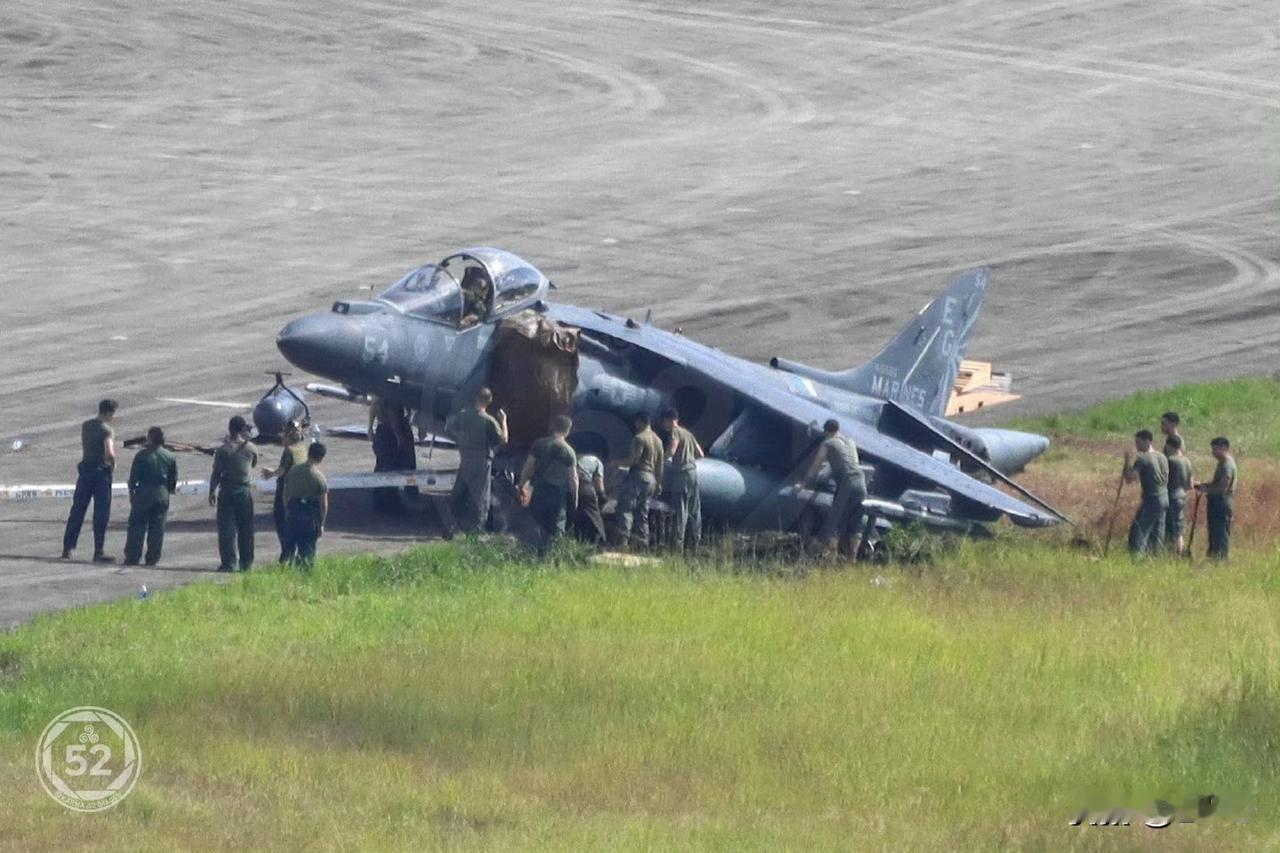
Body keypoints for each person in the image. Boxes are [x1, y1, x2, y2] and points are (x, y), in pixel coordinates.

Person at [798, 419, 867, 557]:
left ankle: (831, 559)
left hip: (847, 483)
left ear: (826, 432)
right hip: (861, 481)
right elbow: (852, 464)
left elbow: (816, 466)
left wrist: (804, 483)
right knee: (856, 522)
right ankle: (852, 560)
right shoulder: (850, 442)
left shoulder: (827, 443)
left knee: (835, 522)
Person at [61, 399, 119, 562]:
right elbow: (110, 452)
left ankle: (68, 547)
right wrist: (113, 464)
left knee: (78, 510)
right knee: (101, 513)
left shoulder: (86, 426)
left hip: (85, 471)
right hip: (101, 474)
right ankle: (98, 551)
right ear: (109, 413)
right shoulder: (107, 430)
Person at [445, 388, 508, 533]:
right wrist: (504, 421)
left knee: (459, 491)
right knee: (480, 495)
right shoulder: (489, 421)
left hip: (466, 457)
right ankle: (477, 528)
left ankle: (450, 525)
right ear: (489, 401)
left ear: (476, 398)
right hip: (482, 460)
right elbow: (504, 439)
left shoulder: (463, 415)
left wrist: (462, 440)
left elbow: (451, 428)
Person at [519, 415, 578, 549]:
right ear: (568, 430)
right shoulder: (569, 451)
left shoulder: (540, 444)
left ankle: (532, 552)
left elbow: (529, 466)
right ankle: (552, 556)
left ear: (553, 427)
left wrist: (521, 485)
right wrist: (575, 498)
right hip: (558, 493)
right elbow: (573, 478)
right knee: (556, 526)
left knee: (536, 522)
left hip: (539, 489)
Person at [122, 426, 178, 566]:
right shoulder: (170, 456)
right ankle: (152, 558)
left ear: (150, 439)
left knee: (137, 527)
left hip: (143, 494)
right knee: (157, 528)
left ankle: (132, 557)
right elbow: (173, 480)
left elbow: (133, 479)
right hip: (161, 494)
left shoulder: (141, 456)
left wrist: (132, 494)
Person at [209, 416, 258, 572]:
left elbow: (216, 473)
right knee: (246, 529)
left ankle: (229, 563)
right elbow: (254, 463)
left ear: (230, 429)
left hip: (227, 491)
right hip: (244, 491)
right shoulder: (251, 448)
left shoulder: (223, 450)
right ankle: (246, 563)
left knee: (227, 530)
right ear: (243, 429)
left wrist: (212, 490)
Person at [611, 413, 665, 550]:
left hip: (638, 475)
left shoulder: (639, 438)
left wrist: (617, 463)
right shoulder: (658, 441)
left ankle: (622, 542)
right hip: (651, 479)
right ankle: (642, 543)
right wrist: (658, 483)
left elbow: (634, 460)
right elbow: (660, 466)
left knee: (625, 508)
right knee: (642, 512)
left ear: (639, 422)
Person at [261, 421, 308, 560]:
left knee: (282, 521)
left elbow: (282, 471)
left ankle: (287, 555)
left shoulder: (289, 451)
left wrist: (271, 473)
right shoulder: (302, 448)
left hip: (286, 489)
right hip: (299, 490)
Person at [661, 407, 704, 553]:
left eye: (664, 422)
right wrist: (689, 459)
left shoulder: (675, 432)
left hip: (682, 474)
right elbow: (700, 454)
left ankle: (677, 547)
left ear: (668, 420)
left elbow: (672, 450)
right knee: (694, 510)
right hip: (693, 472)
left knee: (680, 511)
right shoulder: (689, 434)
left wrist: (661, 459)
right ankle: (695, 544)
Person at [282, 442, 329, 567]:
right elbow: (323, 504)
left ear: (308, 453)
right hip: (310, 515)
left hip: (294, 510)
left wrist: (287, 510)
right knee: (307, 549)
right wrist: (322, 523)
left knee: (289, 547)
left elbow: (285, 494)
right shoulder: (319, 478)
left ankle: (284, 570)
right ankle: (304, 573)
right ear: (321, 458)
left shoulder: (293, 471)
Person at [1123, 429, 1169, 556]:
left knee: (1139, 530)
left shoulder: (1143, 459)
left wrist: (1127, 461)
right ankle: (1156, 556)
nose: (1136, 445)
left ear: (1147, 441)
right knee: (1158, 530)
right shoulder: (1162, 457)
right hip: (1164, 497)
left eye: (1138, 442)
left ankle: (1137, 558)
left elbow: (1130, 478)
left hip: (1152, 499)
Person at [370, 398, 416, 515]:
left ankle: (379, 501)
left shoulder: (379, 397)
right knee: (394, 468)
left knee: (382, 466)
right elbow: (393, 417)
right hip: (390, 435)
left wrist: (370, 427)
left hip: (382, 431)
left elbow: (374, 405)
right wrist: (399, 437)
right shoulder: (392, 398)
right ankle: (392, 502)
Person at [1195, 437, 1237, 560]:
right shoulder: (1222, 463)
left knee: (1221, 532)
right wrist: (1204, 485)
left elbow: (1222, 488)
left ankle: (1222, 559)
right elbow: (1216, 483)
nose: (1213, 452)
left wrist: (1206, 490)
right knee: (1214, 531)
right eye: (1212, 449)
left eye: (1215, 449)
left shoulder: (1227, 465)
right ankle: (1214, 556)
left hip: (1222, 502)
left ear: (1224, 448)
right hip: (1216, 502)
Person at [1163, 434, 1193, 555]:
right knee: (1178, 525)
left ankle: (1176, 553)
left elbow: (1163, 479)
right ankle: (1179, 551)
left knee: (1172, 528)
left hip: (1171, 496)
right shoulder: (1187, 461)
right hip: (1182, 496)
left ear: (1169, 446)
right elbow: (1190, 484)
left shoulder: (1170, 460)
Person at [572, 447, 608, 546]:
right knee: (595, 516)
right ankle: (602, 541)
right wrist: (603, 497)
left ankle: (578, 540)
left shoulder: (576, 457)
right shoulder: (597, 462)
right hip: (585, 486)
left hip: (570, 487)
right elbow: (598, 484)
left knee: (578, 517)